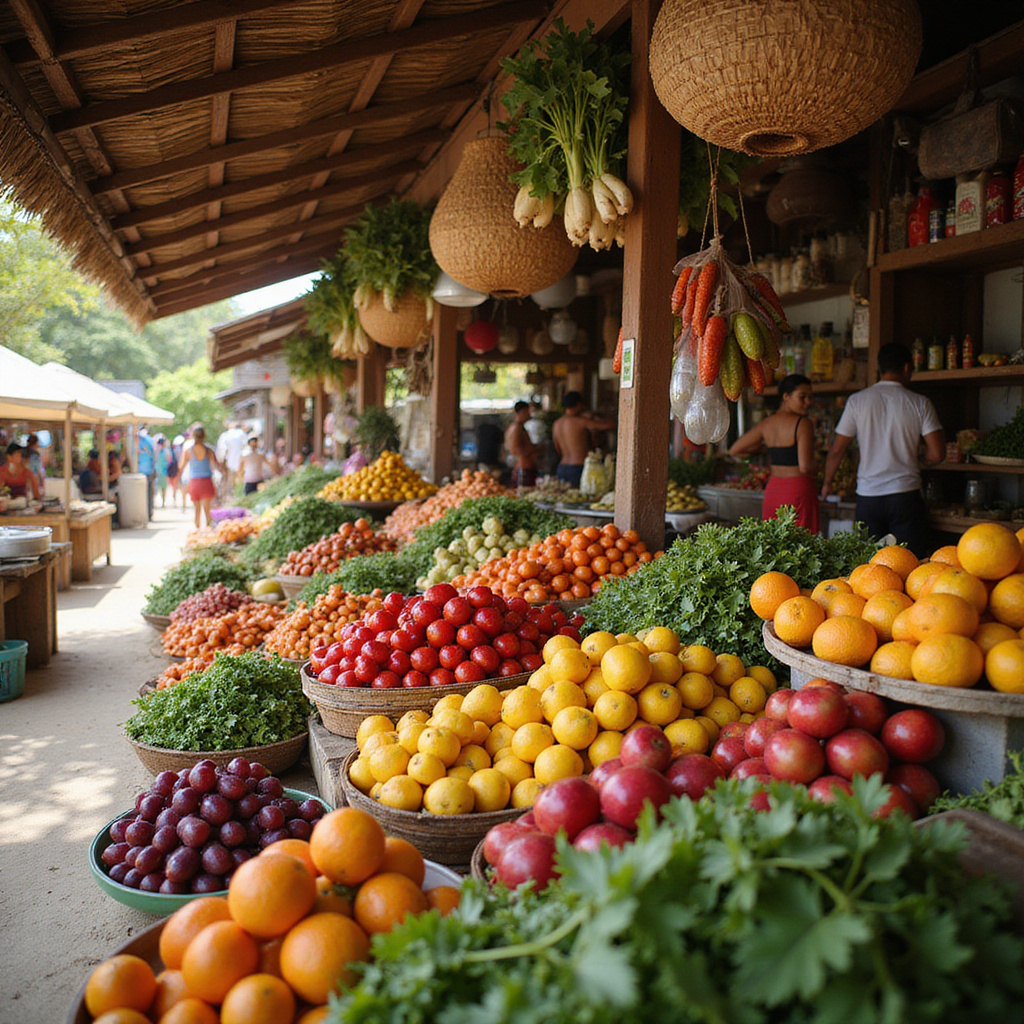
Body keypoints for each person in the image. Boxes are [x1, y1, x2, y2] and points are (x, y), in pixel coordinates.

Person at [821, 342, 945, 555]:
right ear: (907, 368)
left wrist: (826, 483)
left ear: (879, 368)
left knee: (869, 567)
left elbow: (837, 450)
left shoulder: (857, 401)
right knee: (910, 563)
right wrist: (919, 458)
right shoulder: (920, 403)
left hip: (868, 498)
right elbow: (938, 454)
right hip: (905, 496)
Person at [728, 374, 819, 533]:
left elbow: (735, 450)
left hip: (774, 490)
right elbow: (805, 466)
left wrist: (760, 451)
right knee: (803, 547)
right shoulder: (804, 423)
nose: (808, 402)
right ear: (786, 397)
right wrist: (817, 465)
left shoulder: (767, 423)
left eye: (810, 397)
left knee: (774, 544)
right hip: (798, 489)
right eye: (802, 397)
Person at [552, 390, 615, 488]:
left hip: (562, 466)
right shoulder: (581, 421)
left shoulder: (557, 424)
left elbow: (557, 448)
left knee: (563, 500)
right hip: (578, 467)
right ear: (579, 404)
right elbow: (608, 426)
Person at [179, 426, 221, 528]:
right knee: (207, 510)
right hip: (206, 481)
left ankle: (197, 533)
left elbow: (181, 466)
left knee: (197, 511)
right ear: (204, 436)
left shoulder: (188, 451)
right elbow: (217, 466)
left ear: (193, 436)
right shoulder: (209, 451)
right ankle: (208, 533)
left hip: (194, 482)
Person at [505, 401, 539, 488]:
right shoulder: (516, 428)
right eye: (528, 411)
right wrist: (533, 450)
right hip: (523, 468)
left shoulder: (518, 427)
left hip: (524, 467)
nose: (529, 414)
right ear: (523, 411)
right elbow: (515, 449)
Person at [216, 421, 248, 498]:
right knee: (238, 482)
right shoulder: (242, 434)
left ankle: (228, 497)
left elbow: (222, 451)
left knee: (228, 482)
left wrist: (221, 463)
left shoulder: (225, 435)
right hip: (240, 463)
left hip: (229, 463)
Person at [136, 425, 156, 519]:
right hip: (149, 470)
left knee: (141, 495)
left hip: (140, 471)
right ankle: (149, 513)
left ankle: (144, 514)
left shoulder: (138, 439)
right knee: (148, 493)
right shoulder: (151, 440)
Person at [154, 436, 171, 508]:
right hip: (160, 472)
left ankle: (163, 502)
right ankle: (160, 502)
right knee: (159, 488)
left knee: (161, 488)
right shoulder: (164, 451)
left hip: (162, 472)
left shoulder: (164, 451)